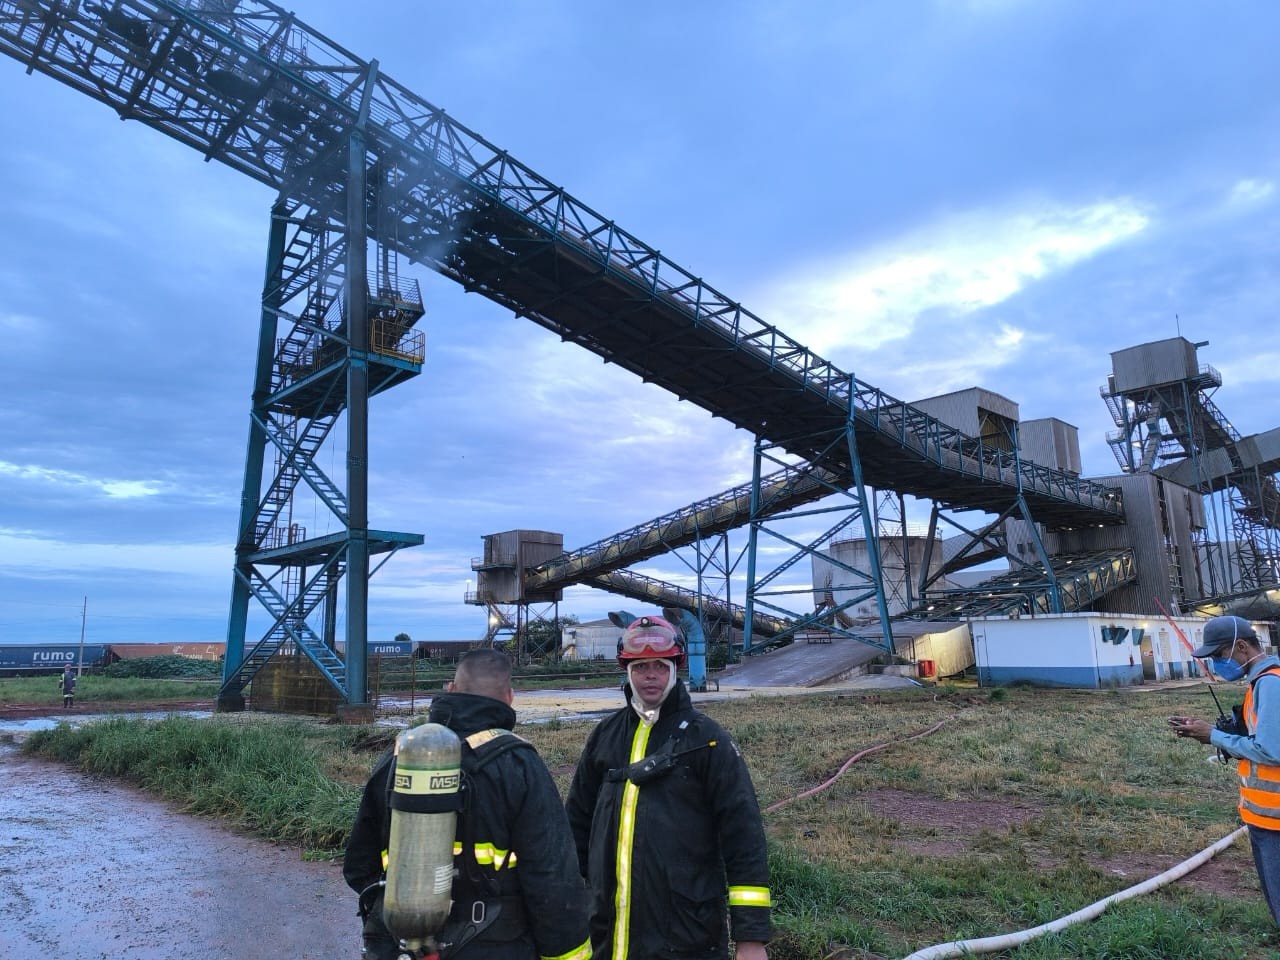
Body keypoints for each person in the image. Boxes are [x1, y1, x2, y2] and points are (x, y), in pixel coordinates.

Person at [343, 649, 591, 960]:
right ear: (510, 697)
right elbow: (553, 877)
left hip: (400, 944)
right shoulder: (518, 764)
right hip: (494, 943)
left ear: (450, 689)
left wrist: (401, 914)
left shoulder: (400, 756)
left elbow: (357, 865)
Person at [565, 615, 772, 960]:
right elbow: (575, 827)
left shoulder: (707, 740)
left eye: (660, 666)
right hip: (608, 935)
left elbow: (744, 837)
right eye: (641, 666)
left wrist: (751, 938)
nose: (650, 675)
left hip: (685, 936)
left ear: (675, 669)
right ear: (627, 671)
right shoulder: (604, 736)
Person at [1169, 614, 1280, 924]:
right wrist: (1213, 735)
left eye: (1218, 656)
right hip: (1264, 817)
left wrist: (1214, 735)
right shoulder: (1261, 682)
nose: (1216, 664)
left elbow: (1271, 750)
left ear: (1241, 646)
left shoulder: (1270, 683)